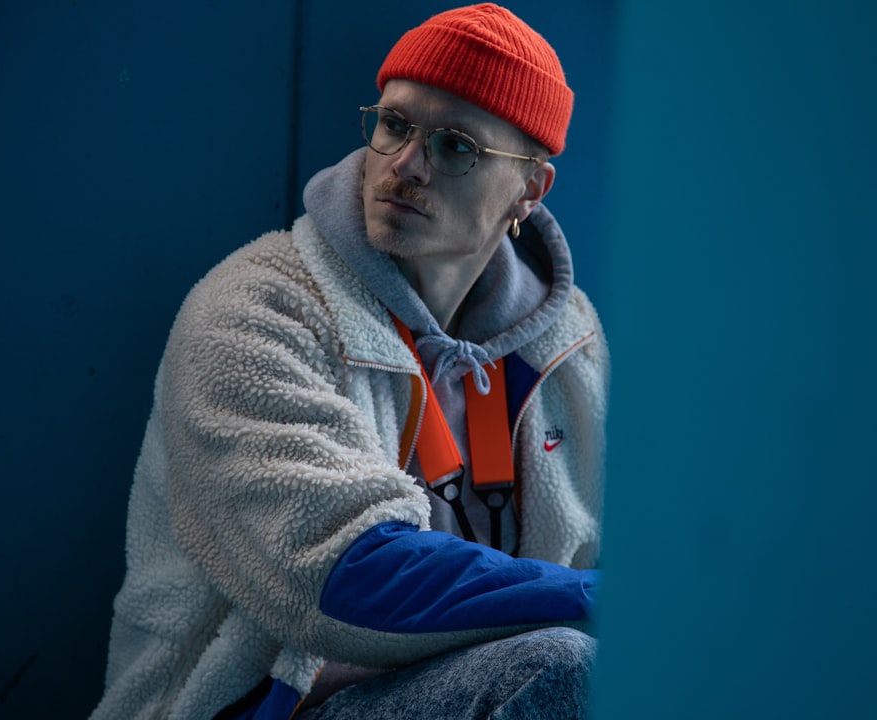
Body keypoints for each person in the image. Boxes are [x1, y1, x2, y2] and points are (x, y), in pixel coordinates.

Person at [90, 4, 608, 719]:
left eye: (455, 146)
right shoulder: (257, 309)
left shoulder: (568, 342)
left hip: (472, 681)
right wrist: (610, 604)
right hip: (265, 706)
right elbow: (342, 572)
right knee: (569, 668)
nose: (405, 166)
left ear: (529, 189)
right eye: (396, 125)